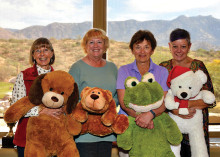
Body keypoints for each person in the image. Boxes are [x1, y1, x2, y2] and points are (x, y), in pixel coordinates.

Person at [159, 28, 216, 157]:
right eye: (175, 46)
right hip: (170, 128)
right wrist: (174, 111)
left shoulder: (198, 66)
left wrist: (185, 105)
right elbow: (159, 98)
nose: (179, 50)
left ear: (189, 46)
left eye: (183, 46)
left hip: (197, 129)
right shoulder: (163, 68)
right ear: (169, 46)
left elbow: (210, 99)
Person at [116, 30, 169, 156]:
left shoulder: (162, 71)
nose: (142, 51)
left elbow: (165, 101)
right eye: (138, 47)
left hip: (155, 124)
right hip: (128, 124)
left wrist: (150, 115)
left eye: (146, 47)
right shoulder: (124, 70)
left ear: (152, 50)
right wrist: (143, 119)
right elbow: (124, 103)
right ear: (132, 50)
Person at [68, 28, 118, 157]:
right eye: (91, 42)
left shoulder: (112, 68)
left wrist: (106, 107)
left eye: (99, 42)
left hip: (106, 131)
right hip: (84, 133)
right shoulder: (77, 68)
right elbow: (70, 98)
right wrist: (92, 109)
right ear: (85, 46)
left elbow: (116, 96)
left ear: (105, 45)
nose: (95, 46)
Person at [11, 37, 57, 157]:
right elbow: (16, 108)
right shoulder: (23, 76)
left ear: (52, 53)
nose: (42, 54)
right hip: (27, 138)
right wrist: (41, 111)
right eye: (37, 51)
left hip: (52, 139)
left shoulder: (59, 78)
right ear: (33, 55)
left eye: (46, 50)